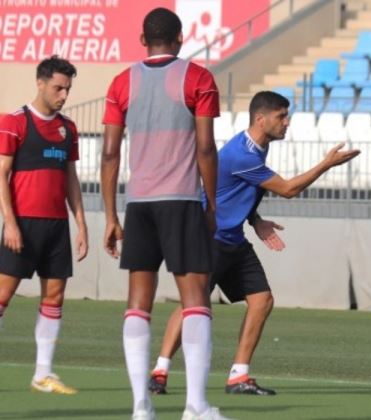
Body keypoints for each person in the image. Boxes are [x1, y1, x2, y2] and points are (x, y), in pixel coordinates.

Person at [147, 91, 360, 396]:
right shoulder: (243, 154)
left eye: (287, 116)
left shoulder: (256, 149)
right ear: (261, 119)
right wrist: (326, 164)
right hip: (210, 239)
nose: (286, 123)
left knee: (262, 301)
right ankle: (160, 371)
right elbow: (287, 189)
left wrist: (254, 218)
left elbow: (230, 190)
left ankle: (238, 376)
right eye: (281, 117)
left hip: (233, 238)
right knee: (193, 303)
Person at [101, 8, 229, 420]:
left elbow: (108, 152)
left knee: (138, 302)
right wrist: (211, 203)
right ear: (179, 39)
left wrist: (110, 215)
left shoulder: (122, 82)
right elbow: (206, 147)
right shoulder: (198, 78)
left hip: (138, 203)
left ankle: (141, 405)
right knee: (195, 300)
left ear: (143, 39)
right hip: (182, 200)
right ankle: (195, 406)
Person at [0, 55, 88, 394]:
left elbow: (71, 180)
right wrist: (10, 223)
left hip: (56, 228)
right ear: (40, 83)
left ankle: (43, 374)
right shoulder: (14, 122)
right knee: (3, 296)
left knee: (54, 297)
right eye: (58, 88)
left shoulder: (70, 128)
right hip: (22, 224)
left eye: (67, 89)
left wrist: (80, 224)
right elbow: (2, 175)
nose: (63, 95)